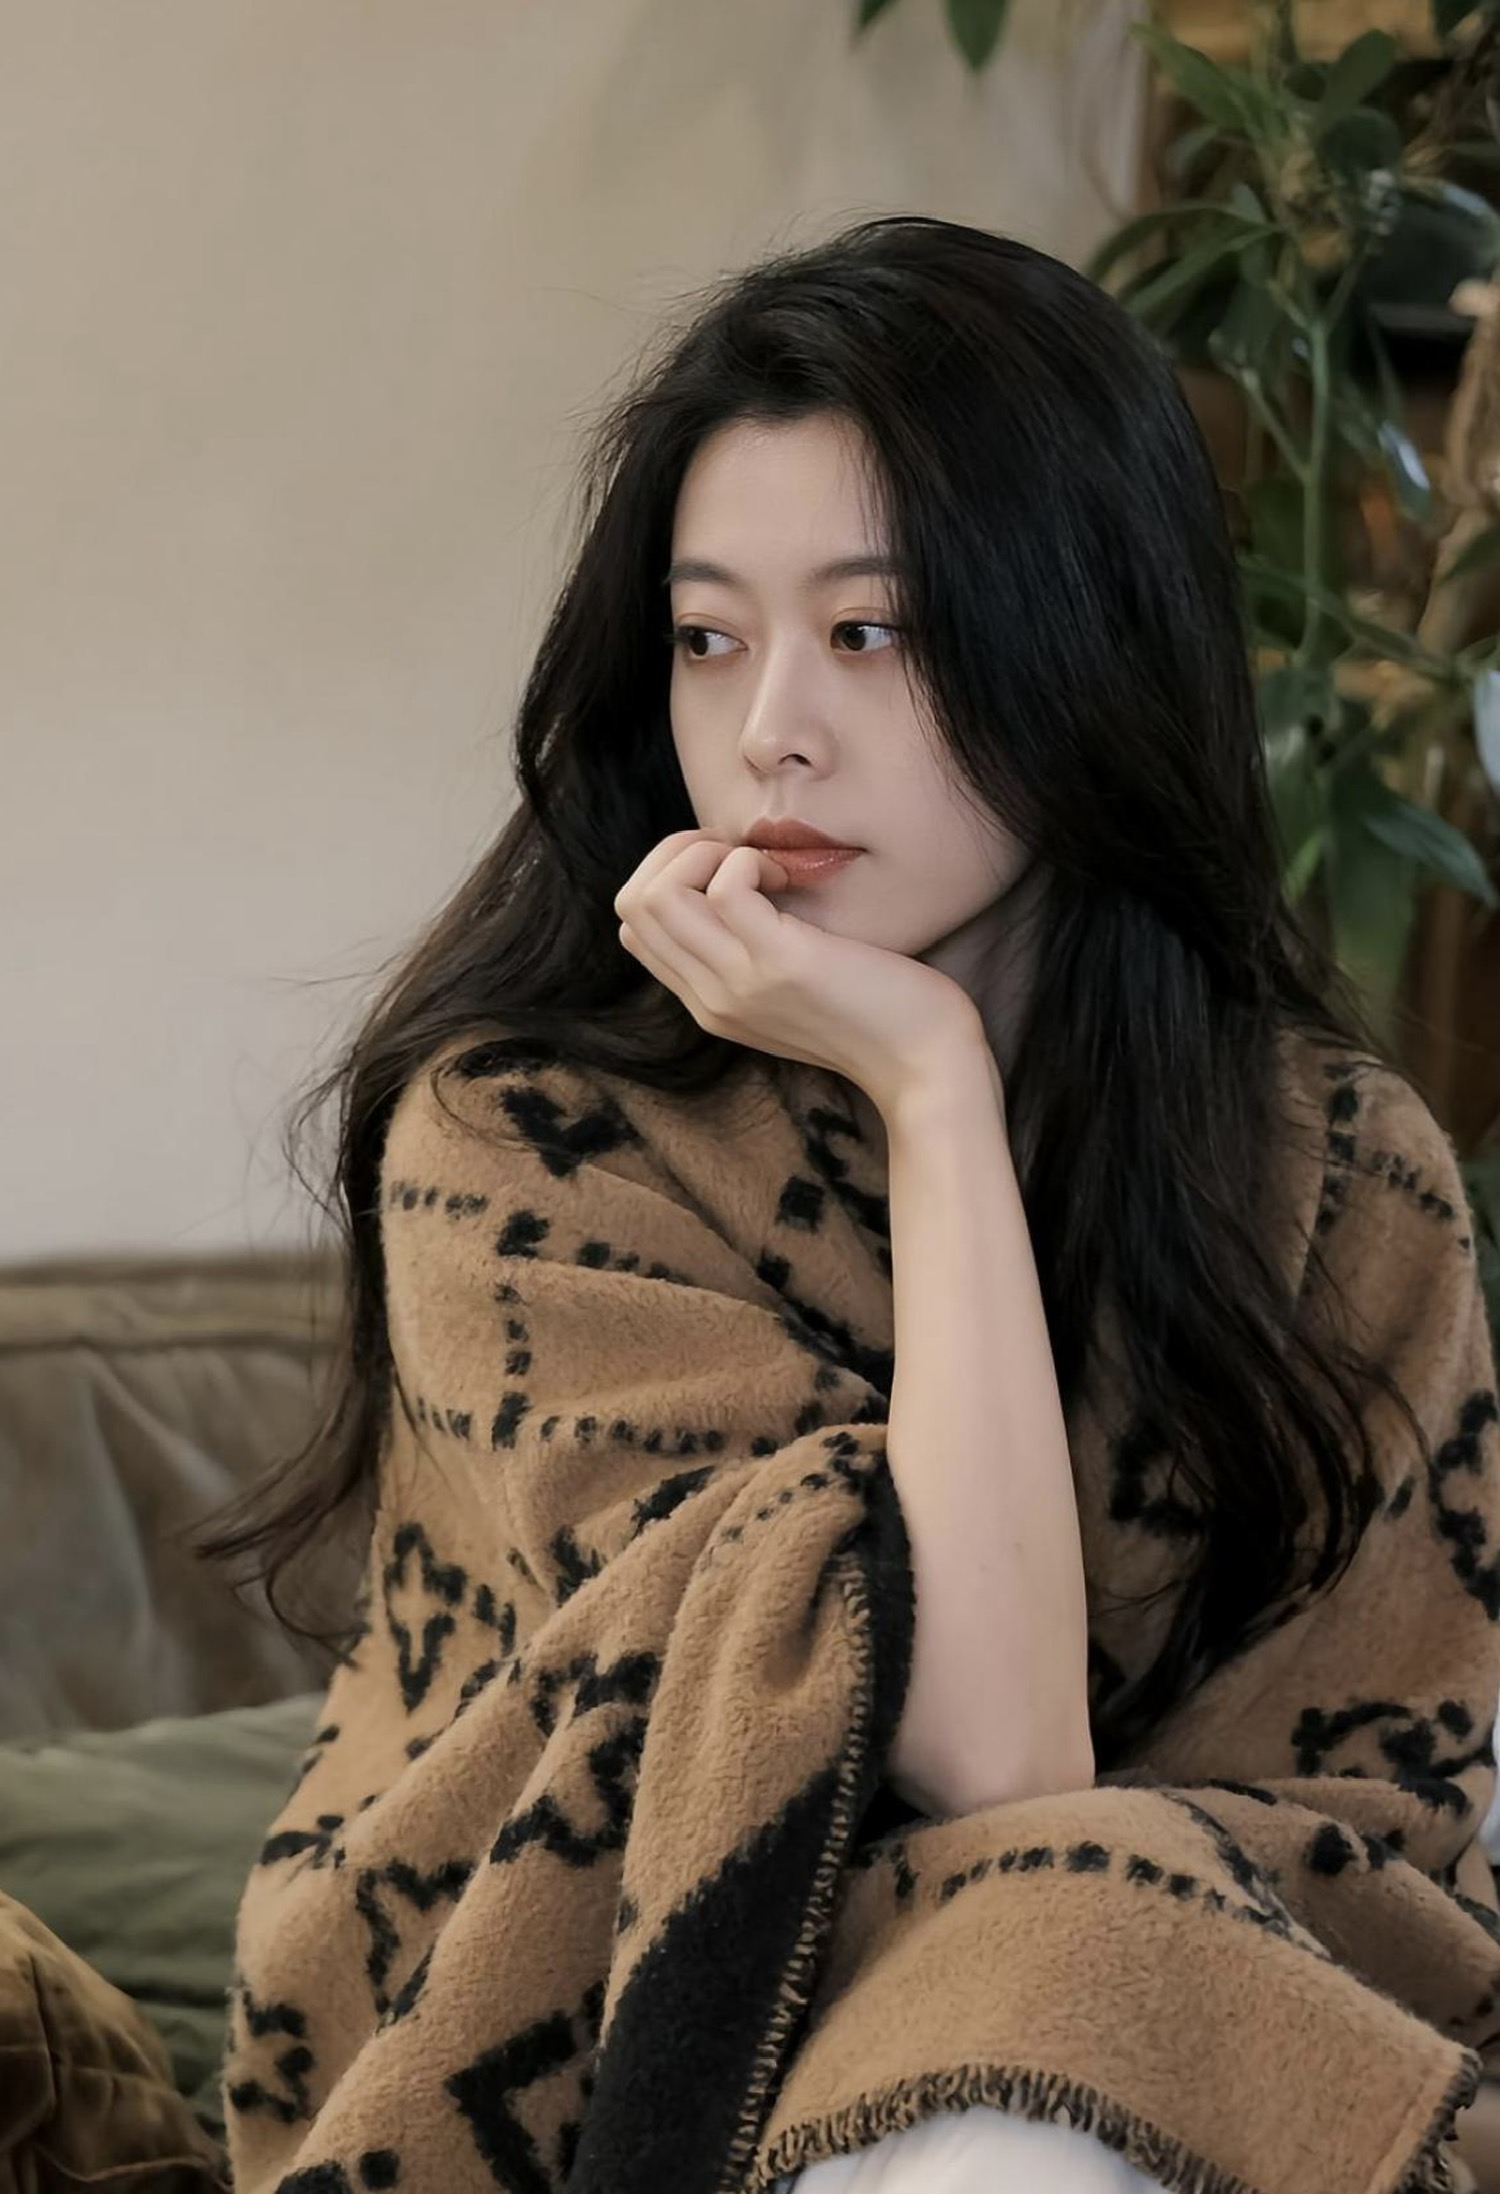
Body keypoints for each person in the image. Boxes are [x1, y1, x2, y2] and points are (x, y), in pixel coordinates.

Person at [203, 216, 1500, 2194]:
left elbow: (1385, 1815)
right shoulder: (522, 1137)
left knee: (1086, 2003)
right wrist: (930, 1080)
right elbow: (994, 1766)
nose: (768, 730)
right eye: (709, 636)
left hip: (1195, 2049)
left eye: (870, 633)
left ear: (1087, 643)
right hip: (598, 2071)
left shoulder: (1341, 1167)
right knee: (1050, 2027)